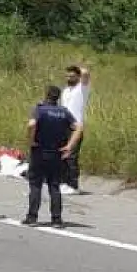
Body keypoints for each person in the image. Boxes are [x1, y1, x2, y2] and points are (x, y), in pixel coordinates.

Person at [24, 85, 83, 227]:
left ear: (46, 95)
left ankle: (32, 217)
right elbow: (79, 127)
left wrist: (31, 141)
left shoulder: (39, 110)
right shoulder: (64, 112)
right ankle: (56, 219)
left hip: (39, 151)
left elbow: (31, 124)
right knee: (54, 186)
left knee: (36, 185)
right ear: (58, 97)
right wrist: (70, 146)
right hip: (57, 153)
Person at [60, 64, 91, 191]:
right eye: (67, 76)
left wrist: (77, 67)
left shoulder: (82, 88)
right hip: (63, 127)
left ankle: (73, 185)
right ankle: (64, 182)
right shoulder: (66, 91)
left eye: (72, 76)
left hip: (76, 128)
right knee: (63, 155)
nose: (69, 78)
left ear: (78, 77)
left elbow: (86, 73)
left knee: (72, 156)